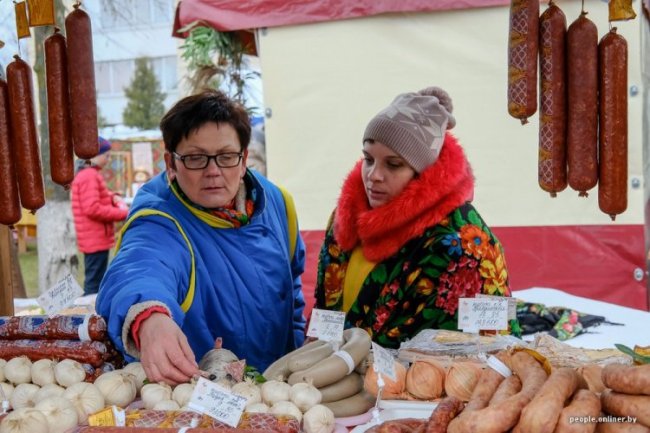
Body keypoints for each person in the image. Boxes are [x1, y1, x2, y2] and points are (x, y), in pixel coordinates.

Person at [96, 90, 306, 385]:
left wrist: (296, 351)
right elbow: (140, 266)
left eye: (226, 156)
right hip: (202, 399)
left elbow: (293, 287)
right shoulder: (161, 218)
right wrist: (150, 319)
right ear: (170, 163)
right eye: (195, 158)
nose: (213, 171)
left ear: (244, 159)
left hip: (280, 395)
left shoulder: (278, 204)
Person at [314, 86, 511, 348]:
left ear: (423, 173)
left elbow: (472, 358)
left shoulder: (463, 249)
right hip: (331, 378)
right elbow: (325, 310)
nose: (374, 175)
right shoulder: (347, 217)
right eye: (368, 159)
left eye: (393, 164)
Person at [71, 137, 128, 296]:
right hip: (95, 239)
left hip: (93, 238)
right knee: (94, 284)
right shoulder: (90, 175)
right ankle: (90, 316)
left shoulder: (86, 174)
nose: (108, 160)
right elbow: (92, 208)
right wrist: (123, 213)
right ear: (94, 155)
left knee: (96, 279)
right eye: (107, 155)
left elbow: (93, 199)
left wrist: (110, 196)